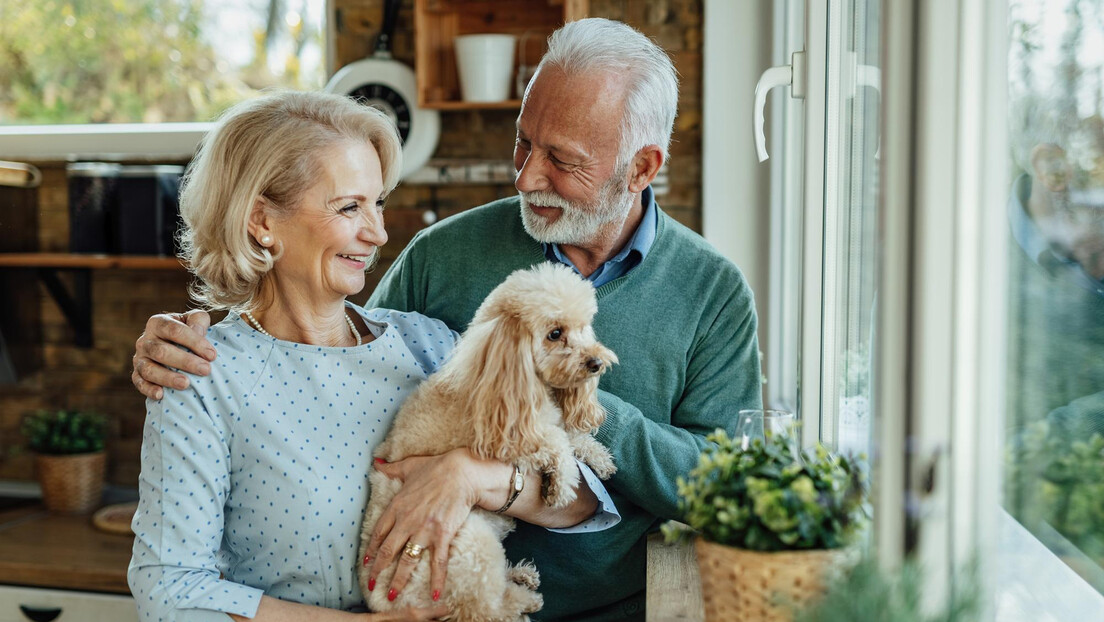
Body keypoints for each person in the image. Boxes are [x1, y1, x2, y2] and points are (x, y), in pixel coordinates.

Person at [133, 18, 763, 621]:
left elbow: (708, 492)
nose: (524, 176)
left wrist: (551, 416)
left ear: (643, 168)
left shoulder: (709, 293)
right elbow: (325, 342)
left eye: (561, 160)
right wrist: (195, 334)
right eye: (522, 141)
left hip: (603, 609)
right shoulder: (440, 264)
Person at [127, 89, 617, 622]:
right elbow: (170, 590)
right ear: (261, 220)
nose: (378, 232)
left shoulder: (428, 346)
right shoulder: (197, 375)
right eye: (349, 207)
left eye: (377, 202)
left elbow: (583, 506)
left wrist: (470, 476)